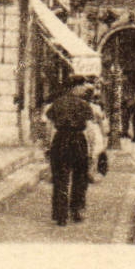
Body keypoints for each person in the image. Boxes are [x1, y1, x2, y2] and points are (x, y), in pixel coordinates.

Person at [45, 76, 95, 225]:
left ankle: (60, 214)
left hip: (60, 140)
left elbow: (49, 127)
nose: (84, 89)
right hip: (78, 140)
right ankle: (76, 210)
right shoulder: (84, 105)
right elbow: (90, 130)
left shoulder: (56, 104)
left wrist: (48, 146)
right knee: (80, 177)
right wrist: (91, 150)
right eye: (82, 86)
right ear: (74, 87)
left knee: (60, 178)